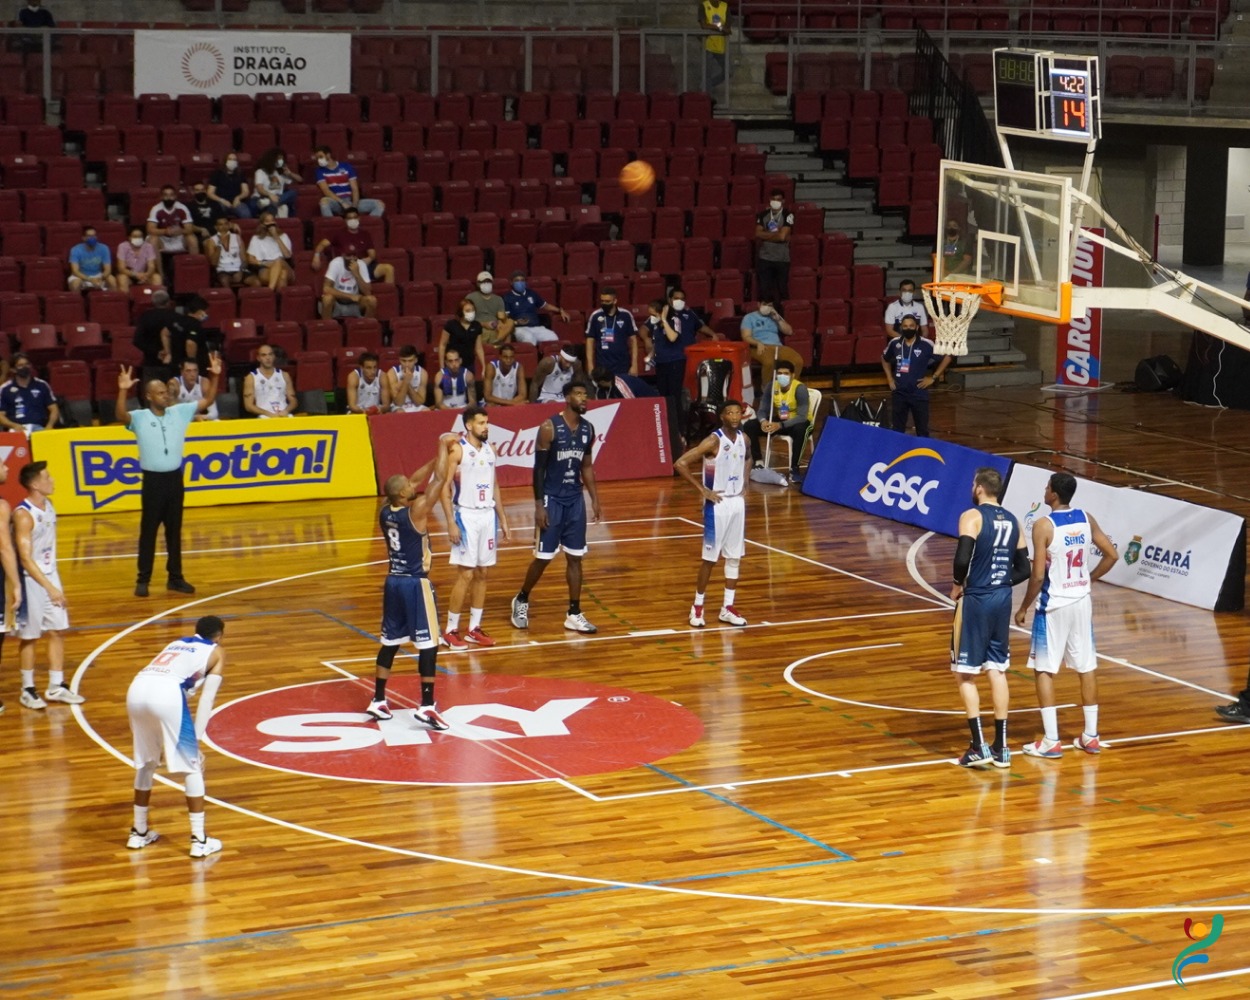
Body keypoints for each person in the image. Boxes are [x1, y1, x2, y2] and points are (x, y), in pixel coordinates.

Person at [1015, 472, 1118, 759]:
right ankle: (1091, 736)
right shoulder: (1087, 518)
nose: (1044, 490)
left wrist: (1023, 607)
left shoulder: (1043, 525)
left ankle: (1051, 740)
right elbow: (1112, 555)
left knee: (1044, 668)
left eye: (1047, 487)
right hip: (1081, 601)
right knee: (1086, 666)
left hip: (1054, 604)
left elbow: (1037, 576)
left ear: (1054, 495)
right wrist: (1089, 579)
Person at [124, 615, 227, 858]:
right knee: (192, 767)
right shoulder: (217, 651)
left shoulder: (175, 643)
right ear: (220, 635)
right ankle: (199, 840)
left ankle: (138, 833)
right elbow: (207, 698)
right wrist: (196, 743)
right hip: (166, 693)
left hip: (136, 690)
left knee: (147, 762)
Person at [117, 358, 221, 597]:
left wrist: (215, 376)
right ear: (149, 396)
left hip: (175, 479)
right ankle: (143, 579)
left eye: (166, 391)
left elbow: (208, 401)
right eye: (161, 392)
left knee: (174, 532)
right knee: (149, 531)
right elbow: (121, 415)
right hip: (153, 481)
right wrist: (123, 391)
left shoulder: (180, 412)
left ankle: (175, 578)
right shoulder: (140, 417)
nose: (166, 395)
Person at [950, 467, 1030, 768]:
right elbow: (1024, 568)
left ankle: (978, 746)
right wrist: (1001, 581)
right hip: (1002, 600)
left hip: (978, 599)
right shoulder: (1014, 520)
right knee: (997, 669)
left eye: (973, 483)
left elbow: (962, 558)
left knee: (965, 672)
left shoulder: (972, 516)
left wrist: (958, 585)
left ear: (980, 488)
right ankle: (1001, 747)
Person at [366, 453, 452, 731]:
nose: (413, 483)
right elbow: (438, 480)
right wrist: (443, 449)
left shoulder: (385, 510)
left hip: (393, 583)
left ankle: (378, 700)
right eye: (408, 484)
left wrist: (436, 454)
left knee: (390, 642)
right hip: (416, 583)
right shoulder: (417, 512)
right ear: (403, 494)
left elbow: (415, 479)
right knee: (429, 644)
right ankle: (427, 707)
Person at [510, 380, 603, 635]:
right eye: (579, 394)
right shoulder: (549, 427)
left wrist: (594, 498)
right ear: (567, 397)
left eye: (586, 394)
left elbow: (586, 466)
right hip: (552, 499)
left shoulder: (588, 429)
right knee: (543, 559)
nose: (584, 398)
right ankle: (522, 598)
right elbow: (538, 469)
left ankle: (574, 612)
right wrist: (539, 505)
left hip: (575, 500)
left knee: (575, 557)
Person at [675, 399, 749, 629]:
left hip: (737, 503)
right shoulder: (713, 440)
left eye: (738, 412)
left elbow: (748, 459)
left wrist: (746, 484)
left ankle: (727, 607)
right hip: (717, 505)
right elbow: (680, 463)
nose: (735, 416)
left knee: (734, 557)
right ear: (722, 417)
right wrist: (702, 490)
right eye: (730, 413)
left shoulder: (745, 439)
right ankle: (697, 606)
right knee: (709, 559)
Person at [13, 461, 81, 711]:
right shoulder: (23, 514)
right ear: (34, 484)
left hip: (51, 574)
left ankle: (56, 685)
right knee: (30, 636)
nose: (52, 480)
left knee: (57, 629)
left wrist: (54, 582)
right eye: (47, 477)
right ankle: (27, 689)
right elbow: (25, 558)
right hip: (32, 579)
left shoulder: (49, 506)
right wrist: (49, 587)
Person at [441, 406, 511, 649]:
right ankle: (450, 629)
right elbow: (444, 487)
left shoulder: (491, 451)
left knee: (483, 573)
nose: (486, 426)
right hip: (466, 516)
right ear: (469, 425)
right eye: (481, 423)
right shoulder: (458, 451)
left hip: (487, 516)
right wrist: (450, 521)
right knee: (466, 573)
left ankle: (474, 628)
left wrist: (502, 517)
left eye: (487, 422)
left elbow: (495, 485)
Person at [655, 286, 719, 455]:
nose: (679, 301)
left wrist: (713, 334)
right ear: (669, 300)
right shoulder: (664, 316)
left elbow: (700, 326)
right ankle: (666, 430)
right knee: (667, 397)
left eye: (682, 298)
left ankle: (681, 433)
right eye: (676, 298)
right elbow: (645, 329)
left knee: (679, 398)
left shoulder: (689, 314)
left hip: (684, 360)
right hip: (664, 362)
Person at [881, 315, 951, 437]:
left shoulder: (926, 344)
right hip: (899, 392)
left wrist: (934, 377)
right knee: (897, 430)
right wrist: (889, 378)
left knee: (922, 430)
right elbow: (884, 358)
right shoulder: (894, 343)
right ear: (901, 328)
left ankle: (922, 454)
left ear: (917, 327)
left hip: (919, 392)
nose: (908, 328)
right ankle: (899, 454)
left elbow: (948, 356)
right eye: (905, 326)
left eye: (911, 326)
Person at [741, 359, 810, 483]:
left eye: (786, 373)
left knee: (801, 430)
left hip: (797, 422)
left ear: (792, 375)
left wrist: (780, 425)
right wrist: (763, 421)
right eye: (780, 373)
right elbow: (762, 410)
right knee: (750, 425)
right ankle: (758, 462)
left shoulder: (800, 389)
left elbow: (802, 416)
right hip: (781, 420)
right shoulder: (771, 386)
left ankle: (794, 468)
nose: (782, 376)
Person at [311, 205, 395, 285]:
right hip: (348, 268)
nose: (353, 220)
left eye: (355, 217)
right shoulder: (338, 234)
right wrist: (316, 255)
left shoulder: (365, 234)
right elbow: (322, 244)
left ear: (359, 218)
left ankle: (388, 297)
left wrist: (365, 261)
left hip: (365, 266)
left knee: (388, 268)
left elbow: (372, 254)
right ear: (345, 220)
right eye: (350, 218)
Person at [739, 300, 799, 387]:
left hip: (778, 346)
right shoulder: (749, 318)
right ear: (759, 304)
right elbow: (746, 337)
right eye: (764, 304)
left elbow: (789, 331)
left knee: (797, 361)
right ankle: (766, 387)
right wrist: (758, 343)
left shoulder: (774, 317)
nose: (767, 306)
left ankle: (789, 387)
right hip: (759, 346)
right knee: (769, 363)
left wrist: (778, 319)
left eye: (770, 305)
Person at [314, 145, 385, 218]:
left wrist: (354, 207)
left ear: (328, 155)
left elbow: (354, 188)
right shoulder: (319, 171)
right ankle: (332, 226)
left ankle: (365, 226)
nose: (318, 160)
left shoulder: (346, 166)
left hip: (350, 200)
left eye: (320, 156)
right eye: (317, 158)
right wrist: (342, 202)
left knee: (379, 204)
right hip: (336, 201)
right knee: (324, 202)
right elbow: (326, 191)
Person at [0, 458, 20, 715]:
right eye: (2, 465)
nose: (6, 468)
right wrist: (16, 583)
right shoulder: (2, 506)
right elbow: (4, 547)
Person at [585, 286, 639, 377]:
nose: (604, 303)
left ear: (615, 301)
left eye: (607, 301)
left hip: (623, 365)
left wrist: (634, 364)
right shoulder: (595, 316)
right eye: (602, 301)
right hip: (602, 365)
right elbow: (589, 342)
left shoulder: (626, 315)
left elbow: (633, 340)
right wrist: (590, 366)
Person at [502, 270, 566, 345]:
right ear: (511, 283)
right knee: (529, 338)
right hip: (518, 328)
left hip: (536, 327)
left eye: (522, 280)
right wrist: (516, 322)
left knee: (553, 337)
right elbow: (505, 318)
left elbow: (545, 305)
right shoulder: (507, 298)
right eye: (517, 281)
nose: (520, 283)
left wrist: (560, 310)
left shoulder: (531, 293)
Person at [0, 353, 59, 433]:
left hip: (40, 428)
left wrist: (49, 426)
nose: (24, 367)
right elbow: (1, 415)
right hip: (16, 429)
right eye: (20, 365)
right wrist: (13, 425)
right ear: (13, 369)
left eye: (27, 364)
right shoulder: (4, 389)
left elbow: (54, 409)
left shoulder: (42, 385)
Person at [132, 289, 179, 389]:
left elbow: (137, 340)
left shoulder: (145, 317)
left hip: (151, 363)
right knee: (172, 396)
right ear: (168, 302)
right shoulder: (175, 317)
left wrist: (156, 352)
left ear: (153, 302)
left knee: (152, 396)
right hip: (172, 364)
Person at [754, 189, 794, 304]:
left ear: (783, 201)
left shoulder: (788, 215)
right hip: (765, 259)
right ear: (770, 200)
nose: (776, 202)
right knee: (765, 292)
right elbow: (757, 233)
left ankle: (783, 318)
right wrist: (776, 234)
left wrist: (766, 235)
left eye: (778, 200)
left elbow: (782, 237)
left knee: (782, 291)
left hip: (782, 259)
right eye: (773, 199)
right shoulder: (763, 215)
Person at [147, 185, 199, 270]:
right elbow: (150, 229)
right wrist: (165, 231)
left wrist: (180, 231)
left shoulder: (182, 208)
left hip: (178, 238)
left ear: (175, 196)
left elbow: (189, 229)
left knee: (192, 238)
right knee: (153, 240)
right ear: (161, 196)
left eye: (171, 195)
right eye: (166, 195)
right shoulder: (156, 209)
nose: (168, 198)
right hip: (163, 239)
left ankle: (192, 271)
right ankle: (161, 276)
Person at [243, 344, 297, 418]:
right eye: (264, 355)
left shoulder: (285, 375)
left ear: (274, 356)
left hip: (284, 414)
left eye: (270, 354)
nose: (268, 358)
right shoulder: (251, 377)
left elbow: (293, 401)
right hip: (264, 417)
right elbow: (248, 406)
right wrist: (267, 413)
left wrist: (286, 410)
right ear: (258, 358)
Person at [245, 211, 294, 291]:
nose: (271, 223)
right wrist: (265, 263)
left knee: (278, 261)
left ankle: (269, 291)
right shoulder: (256, 239)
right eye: (267, 221)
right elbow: (250, 260)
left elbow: (288, 255)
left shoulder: (284, 236)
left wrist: (276, 237)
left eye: (272, 220)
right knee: (282, 275)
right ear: (262, 224)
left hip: (284, 264)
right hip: (264, 267)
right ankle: (278, 301)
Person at [321, 252, 377, 320]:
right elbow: (326, 289)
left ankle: (366, 328)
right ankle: (327, 328)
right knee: (327, 299)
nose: (352, 259)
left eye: (354, 256)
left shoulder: (361, 264)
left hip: (355, 304)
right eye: (349, 256)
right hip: (337, 302)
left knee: (372, 300)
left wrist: (357, 274)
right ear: (343, 255)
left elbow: (368, 292)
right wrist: (350, 296)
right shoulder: (336, 263)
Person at [440, 298, 487, 376]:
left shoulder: (477, 326)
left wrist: (483, 366)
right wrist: (442, 367)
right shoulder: (451, 325)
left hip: (469, 364)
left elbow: (478, 348)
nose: (471, 313)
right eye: (468, 311)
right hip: (453, 364)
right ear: (461, 312)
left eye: (472, 310)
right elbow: (442, 345)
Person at [467, 271, 514, 346]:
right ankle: (495, 343)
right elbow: (467, 319)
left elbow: (501, 318)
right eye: (483, 282)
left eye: (488, 282)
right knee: (485, 331)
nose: (486, 284)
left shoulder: (498, 299)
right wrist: (484, 324)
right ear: (478, 284)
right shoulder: (471, 298)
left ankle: (500, 343)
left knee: (510, 323)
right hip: (479, 325)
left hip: (495, 326)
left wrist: (499, 323)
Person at [251, 147, 300, 218]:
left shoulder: (281, 173)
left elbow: (300, 180)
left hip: (275, 199)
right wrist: (270, 195)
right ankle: (270, 203)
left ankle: (269, 203)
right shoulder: (260, 172)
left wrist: (290, 174)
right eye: (279, 158)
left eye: (282, 159)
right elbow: (260, 189)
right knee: (275, 206)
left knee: (293, 193)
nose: (281, 161)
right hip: (260, 198)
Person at [67, 225, 117, 292]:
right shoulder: (75, 250)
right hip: (81, 276)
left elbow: (108, 270)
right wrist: (90, 279)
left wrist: (100, 278)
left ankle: (110, 301)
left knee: (112, 280)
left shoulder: (104, 248)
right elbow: (75, 271)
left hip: (98, 275)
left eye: (94, 236)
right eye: (89, 236)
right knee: (75, 284)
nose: (92, 238)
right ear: (83, 238)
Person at [167, 294, 210, 368]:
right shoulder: (195, 325)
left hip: (176, 363)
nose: (206, 314)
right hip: (189, 369)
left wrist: (167, 351)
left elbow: (165, 333)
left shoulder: (179, 320)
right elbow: (190, 343)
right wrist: (192, 364)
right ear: (200, 311)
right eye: (206, 312)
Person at [116, 225, 162, 293]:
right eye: (135, 236)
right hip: (129, 275)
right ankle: (127, 301)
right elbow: (121, 268)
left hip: (144, 275)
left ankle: (157, 300)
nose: (137, 238)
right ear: (129, 237)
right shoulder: (122, 246)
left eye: (140, 236)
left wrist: (146, 275)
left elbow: (151, 266)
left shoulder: (148, 246)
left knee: (157, 277)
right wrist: (135, 275)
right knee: (122, 278)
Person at [205, 216, 248, 289]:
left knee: (255, 281)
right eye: (221, 224)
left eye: (226, 224)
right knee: (224, 280)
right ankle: (231, 299)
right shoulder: (211, 241)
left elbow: (244, 259)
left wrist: (241, 271)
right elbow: (213, 263)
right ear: (216, 227)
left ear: (229, 225)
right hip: (222, 270)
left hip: (239, 268)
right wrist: (219, 245)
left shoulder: (237, 237)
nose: (224, 226)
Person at [207, 151, 252, 219]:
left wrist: (238, 198)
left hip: (236, 202)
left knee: (246, 214)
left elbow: (246, 191)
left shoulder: (240, 174)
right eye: (230, 159)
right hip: (221, 202)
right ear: (225, 161)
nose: (232, 161)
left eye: (234, 160)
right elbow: (210, 193)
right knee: (217, 213)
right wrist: (222, 200)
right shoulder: (217, 173)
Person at [386, 344, 429, 412]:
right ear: (399, 360)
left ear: (416, 360)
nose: (407, 364)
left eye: (410, 361)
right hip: (398, 407)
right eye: (404, 361)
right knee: (400, 412)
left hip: (415, 405)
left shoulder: (422, 373)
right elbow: (398, 402)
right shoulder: (392, 373)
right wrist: (405, 381)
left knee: (426, 411)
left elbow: (420, 402)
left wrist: (407, 383)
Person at [699, 0, 730, 90]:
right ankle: (707, 98)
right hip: (708, 46)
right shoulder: (704, 6)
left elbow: (728, 28)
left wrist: (717, 26)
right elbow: (704, 25)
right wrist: (719, 27)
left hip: (721, 46)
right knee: (707, 74)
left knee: (729, 71)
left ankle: (706, 86)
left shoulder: (725, 6)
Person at [186, 182, 225, 246]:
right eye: (197, 190)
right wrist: (201, 229)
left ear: (205, 191)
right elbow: (188, 226)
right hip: (200, 235)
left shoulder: (215, 204)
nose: (200, 192)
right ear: (193, 192)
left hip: (216, 232)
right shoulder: (189, 206)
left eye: (202, 190)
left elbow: (222, 220)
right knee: (210, 244)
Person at [589, 365, 656, 400]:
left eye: (595, 381)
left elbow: (632, 405)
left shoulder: (621, 386)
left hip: (651, 402)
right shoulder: (608, 383)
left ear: (602, 382)